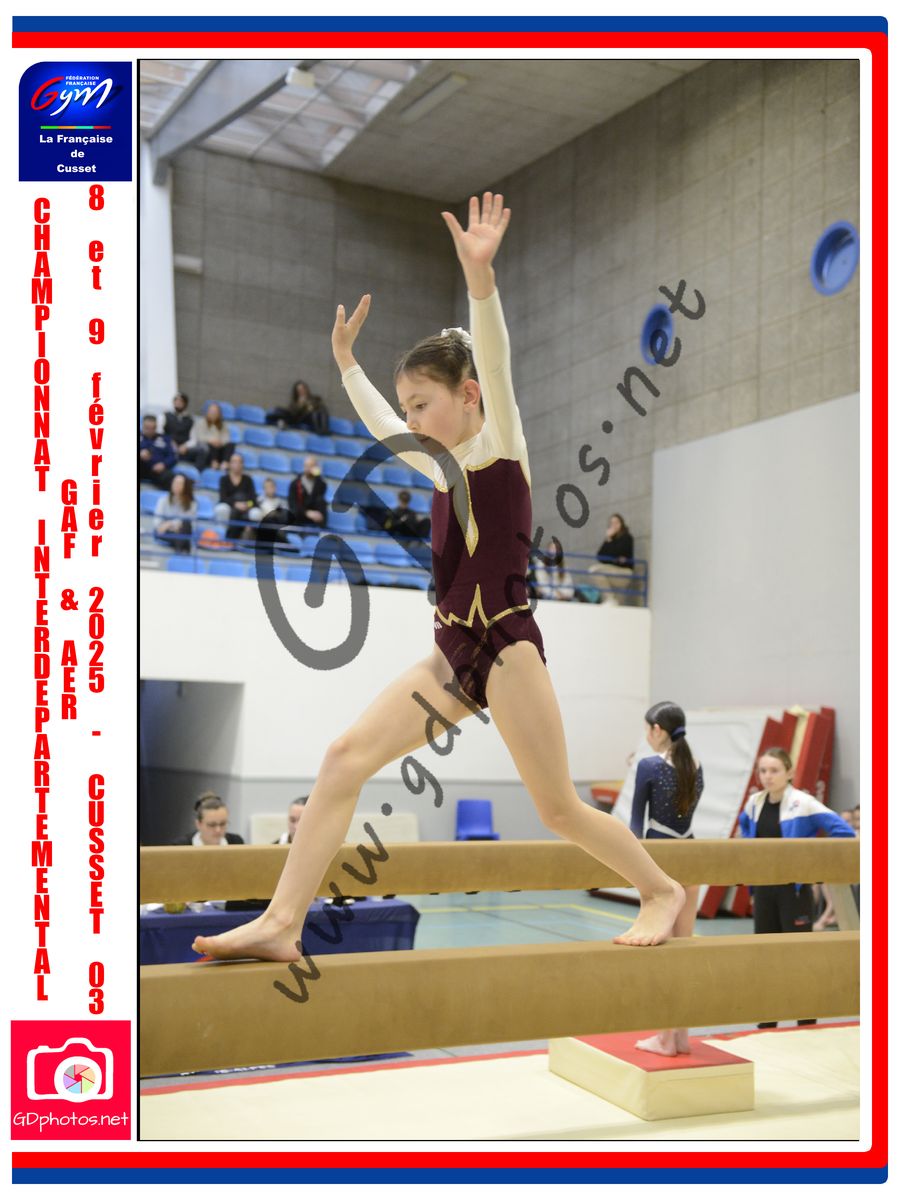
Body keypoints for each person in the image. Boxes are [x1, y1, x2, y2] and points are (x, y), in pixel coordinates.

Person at [192, 192, 685, 964]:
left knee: (557, 808)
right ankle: (283, 921)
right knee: (343, 758)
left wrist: (480, 281)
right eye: (409, 406)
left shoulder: (501, 446)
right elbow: (384, 427)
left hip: (507, 650)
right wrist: (346, 364)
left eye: (424, 403)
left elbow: (496, 358)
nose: (413, 419)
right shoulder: (438, 465)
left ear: (469, 397)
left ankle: (660, 888)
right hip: (452, 653)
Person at [739, 747, 855, 1028]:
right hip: (764, 889)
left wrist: (812, 861)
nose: (768, 776)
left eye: (774, 770)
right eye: (763, 771)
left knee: (799, 957)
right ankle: (767, 1023)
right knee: (766, 957)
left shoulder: (804, 803)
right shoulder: (754, 803)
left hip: (794, 891)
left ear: (789, 772)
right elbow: (745, 835)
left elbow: (843, 831)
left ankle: (806, 1022)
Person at [628, 702, 704, 1056]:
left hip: (659, 859)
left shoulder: (649, 766)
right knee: (684, 951)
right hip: (691, 858)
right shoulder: (696, 765)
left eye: (648, 729)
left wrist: (631, 870)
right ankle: (682, 1036)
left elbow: (635, 825)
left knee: (663, 951)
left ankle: (664, 1038)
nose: (647, 736)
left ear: (657, 730)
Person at [590, 513, 635, 604]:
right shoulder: (610, 539)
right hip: (612, 570)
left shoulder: (627, 537)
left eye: (616, 522)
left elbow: (619, 552)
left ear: (621, 524)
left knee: (595, 570)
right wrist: (608, 539)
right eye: (612, 523)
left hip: (624, 572)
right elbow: (600, 556)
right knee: (594, 570)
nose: (614, 525)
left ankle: (610, 598)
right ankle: (610, 599)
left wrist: (612, 558)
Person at [215, 453, 261, 542]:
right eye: (234, 461)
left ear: (242, 464)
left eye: (240, 462)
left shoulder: (248, 480)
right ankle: (224, 535)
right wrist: (235, 504)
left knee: (256, 512)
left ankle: (249, 537)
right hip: (230, 507)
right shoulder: (224, 479)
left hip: (246, 509)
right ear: (229, 464)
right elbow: (223, 498)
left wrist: (247, 505)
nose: (237, 464)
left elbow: (253, 500)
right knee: (221, 508)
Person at [172, 792, 245, 846]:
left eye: (223, 824)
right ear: (198, 824)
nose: (218, 830)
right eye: (212, 825)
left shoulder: (236, 842)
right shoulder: (180, 846)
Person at [266, 380, 331, 435]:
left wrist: (310, 405)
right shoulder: (294, 403)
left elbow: (319, 405)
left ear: (306, 389)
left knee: (321, 410)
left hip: (315, 415)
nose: (301, 391)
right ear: (297, 392)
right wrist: (301, 405)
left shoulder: (314, 398)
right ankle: (319, 431)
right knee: (314, 414)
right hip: (304, 418)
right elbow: (293, 415)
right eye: (299, 390)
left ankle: (324, 430)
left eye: (302, 389)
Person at [153, 473, 197, 553]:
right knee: (182, 536)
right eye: (175, 482)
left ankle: (178, 549)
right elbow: (157, 523)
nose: (176, 485)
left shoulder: (192, 503)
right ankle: (182, 549)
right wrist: (172, 525)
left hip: (182, 530)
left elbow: (188, 522)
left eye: (180, 483)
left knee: (185, 526)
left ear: (185, 486)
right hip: (165, 532)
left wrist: (169, 524)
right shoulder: (163, 500)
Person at [287, 454, 328, 529]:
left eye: (312, 466)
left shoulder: (320, 484)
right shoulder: (295, 483)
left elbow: (319, 499)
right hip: (299, 517)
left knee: (321, 501)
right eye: (307, 466)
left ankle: (322, 531)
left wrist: (318, 475)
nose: (308, 468)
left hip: (315, 518)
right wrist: (307, 513)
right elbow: (292, 505)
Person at [192, 402, 234, 471]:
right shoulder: (201, 423)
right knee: (210, 446)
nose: (213, 413)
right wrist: (211, 441)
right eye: (211, 411)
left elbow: (227, 438)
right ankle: (214, 462)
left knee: (231, 445)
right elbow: (199, 437)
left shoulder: (223, 425)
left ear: (219, 414)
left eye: (215, 412)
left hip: (220, 448)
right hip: (208, 450)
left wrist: (220, 442)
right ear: (207, 412)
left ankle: (225, 463)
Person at [139, 414, 177, 489]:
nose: (150, 431)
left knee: (172, 478)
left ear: (156, 427)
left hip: (157, 469)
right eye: (147, 428)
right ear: (142, 426)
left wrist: (164, 464)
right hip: (141, 467)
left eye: (152, 428)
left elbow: (173, 456)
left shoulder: (165, 439)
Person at [534, 536, 575, 601]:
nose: (554, 551)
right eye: (552, 548)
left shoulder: (563, 566)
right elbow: (542, 584)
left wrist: (564, 594)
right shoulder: (541, 564)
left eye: (556, 549)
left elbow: (568, 583)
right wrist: (556, 594)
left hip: (563, 598)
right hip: (547, 597)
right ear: (547, 550)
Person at [163, 392, 197, 462]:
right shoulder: (165, 416)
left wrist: (185, 446)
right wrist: (169, 442)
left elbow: (193, 439)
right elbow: (159, 433)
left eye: (181, 401)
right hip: (168, 445)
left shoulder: (191, 420)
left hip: (184, 448)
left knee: (201, 450)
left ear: (185, 403)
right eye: (176, 400)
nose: (178, 403)